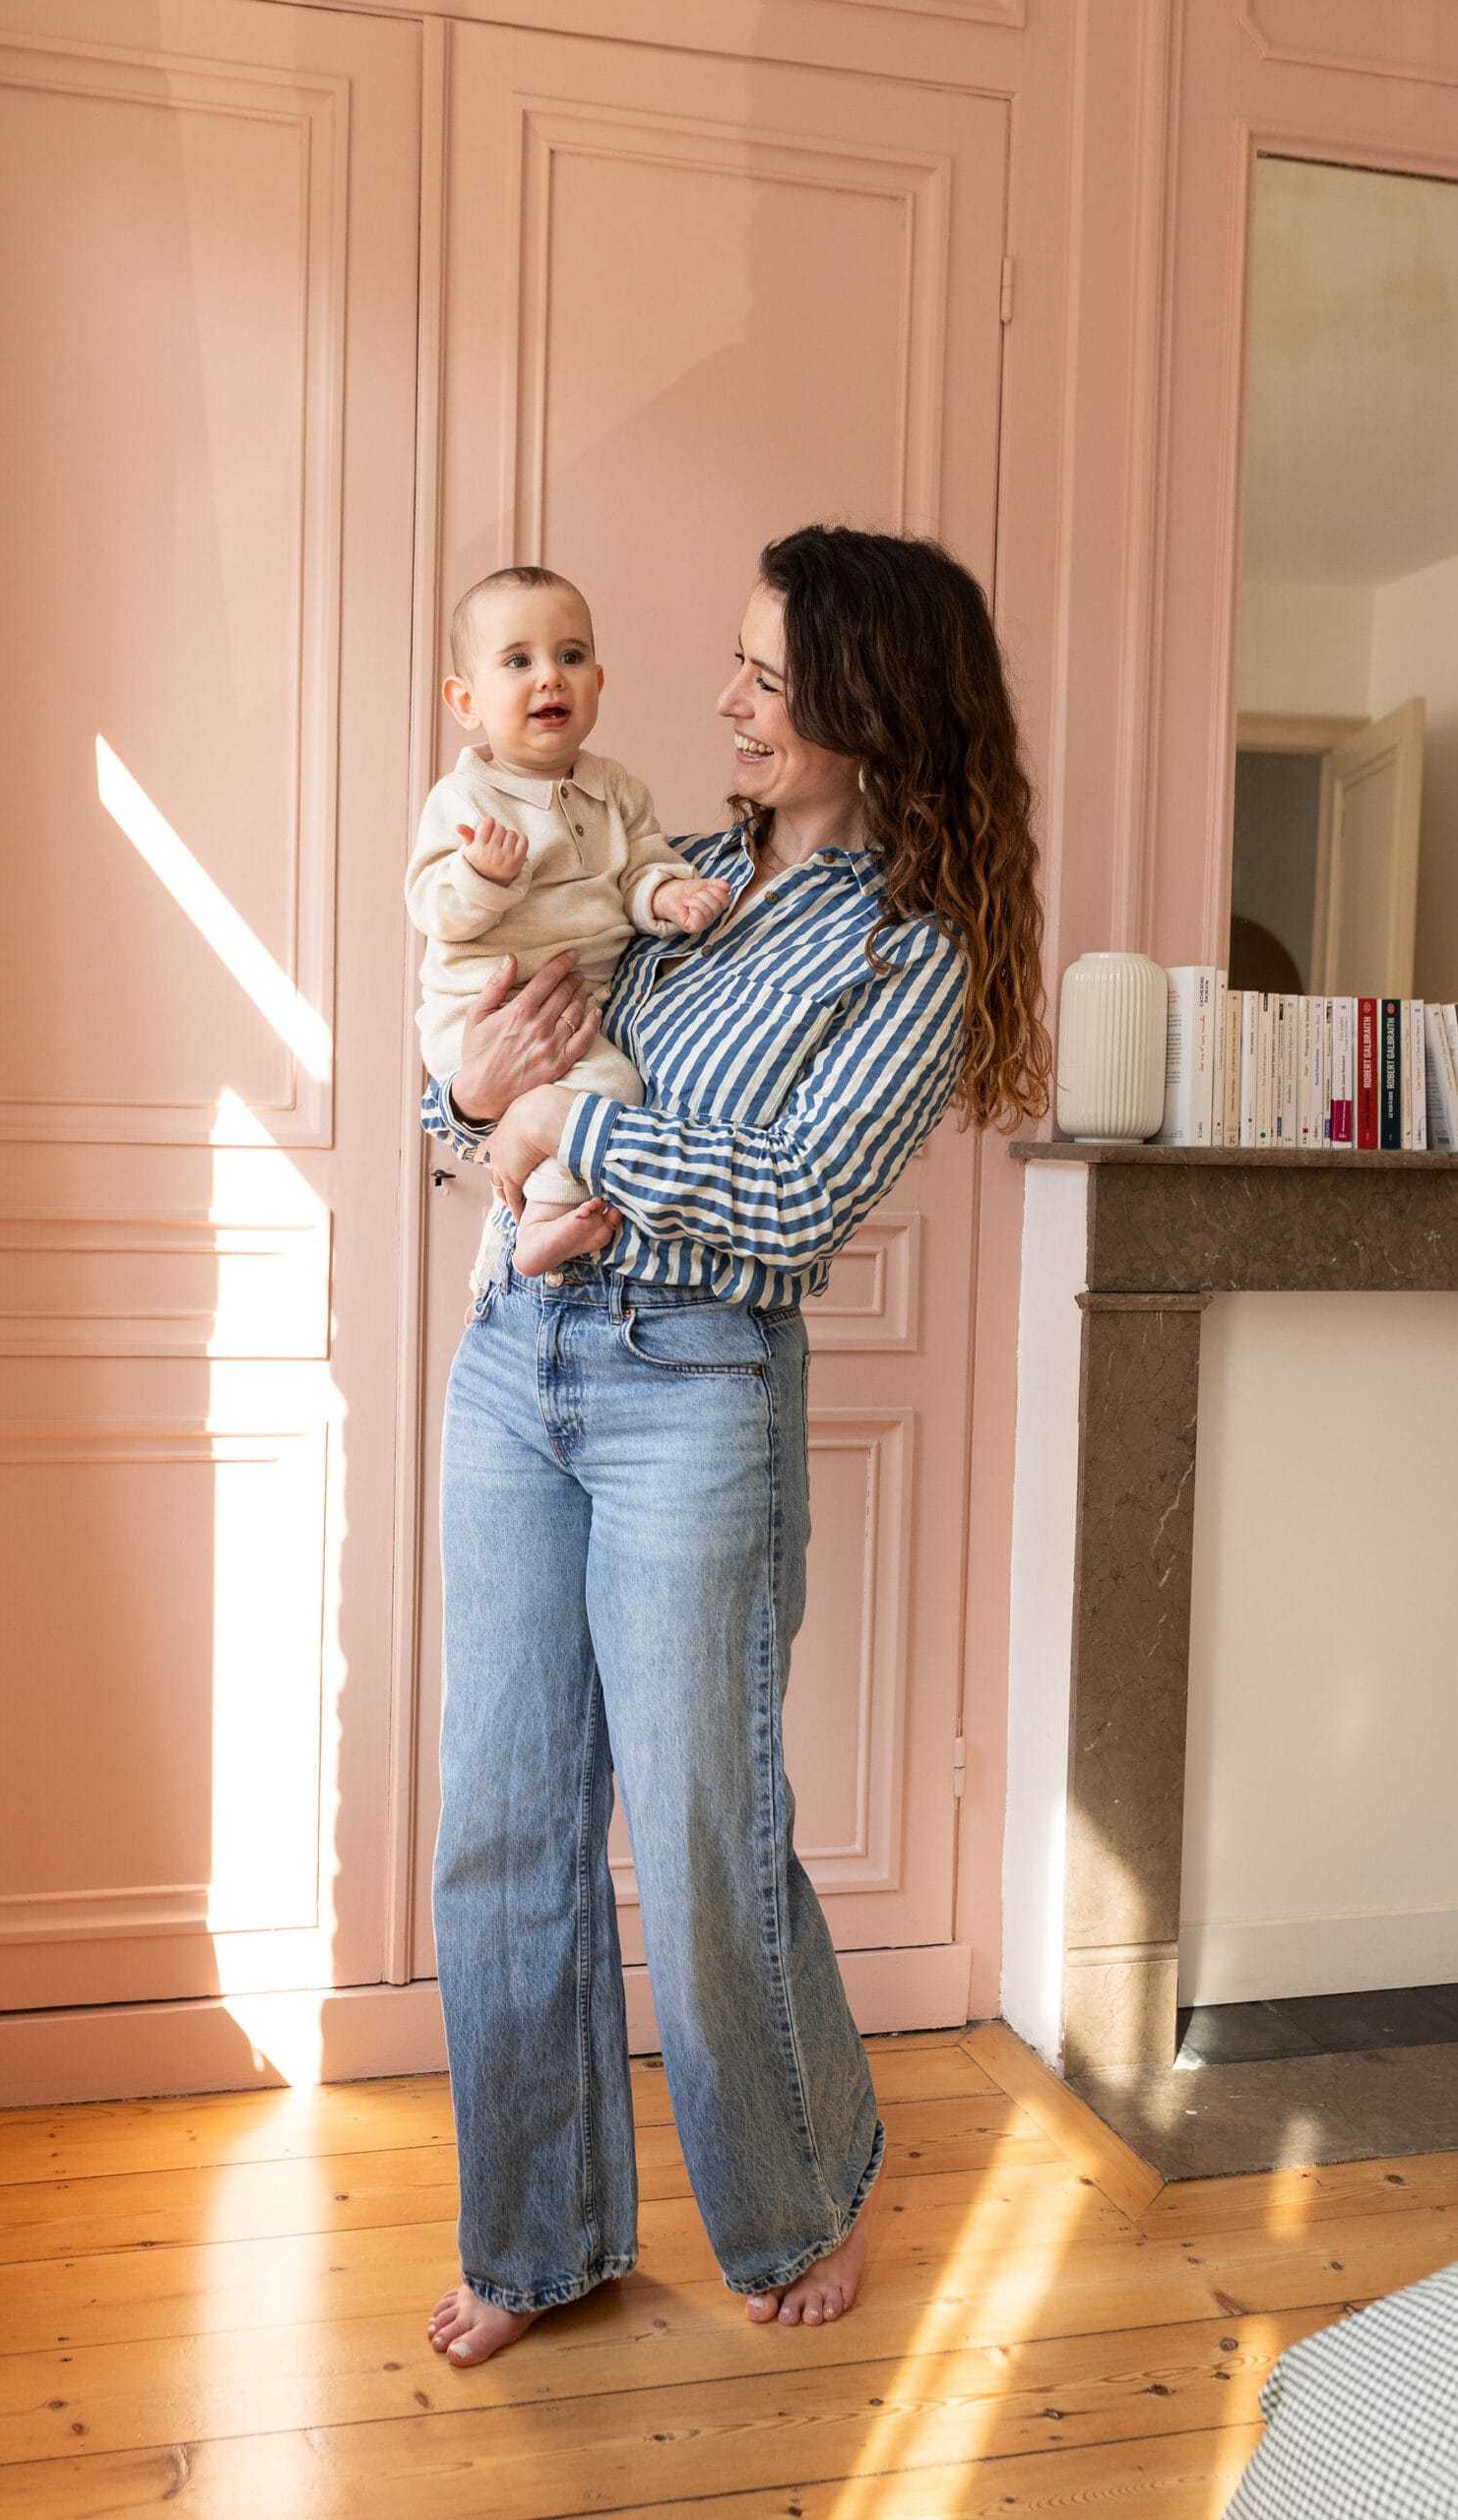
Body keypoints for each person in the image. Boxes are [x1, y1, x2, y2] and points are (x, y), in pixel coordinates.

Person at [419, 525, 1050, 2370]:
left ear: (868, 702)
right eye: (739, 669)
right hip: (514, 1356)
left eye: (767, 679)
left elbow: (787, 1204)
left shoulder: (910, 951)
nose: (725, 704)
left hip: (692, 1392)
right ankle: (535, 2242)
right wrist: (471, 1095)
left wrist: (567, 1138)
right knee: (503, 1826)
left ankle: (793, 2196)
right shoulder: (658, 863)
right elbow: (473, 1083)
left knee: (704, 1833)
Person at [406, 566, 730, 1278]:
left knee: (595, 1092)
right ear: (466, 701)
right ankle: (541, 1220)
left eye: (571, 656)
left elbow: (640, 866)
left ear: (598, 683)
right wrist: (481, 877)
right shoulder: (464, 797)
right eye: (517, 661)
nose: (550, 676)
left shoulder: (616, 789)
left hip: (578, 1007)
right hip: (481, 1011)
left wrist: (666, 895)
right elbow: (431, 905)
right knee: (612, 1088)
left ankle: (528, 1219)